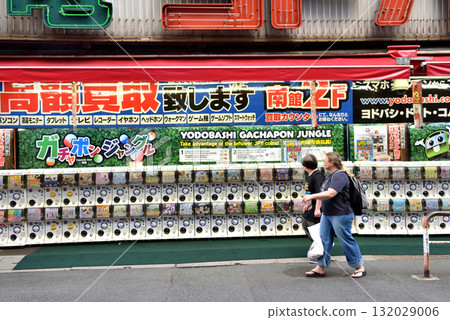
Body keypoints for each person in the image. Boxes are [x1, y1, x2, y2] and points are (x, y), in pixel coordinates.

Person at [302, 151, 366, 279]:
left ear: (332, 163)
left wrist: (311, 196)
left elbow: (331, 193)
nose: (323, 162)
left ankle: (359, 266)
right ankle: (320, 266)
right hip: (328, 213)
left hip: (341, 214)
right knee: (324, 239)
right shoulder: (330, 176)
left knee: (345, 239)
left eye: (325, 160)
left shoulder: (339, 176)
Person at [300, 154, 324, 241]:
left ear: (306, 166)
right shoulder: (310, 176)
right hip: (311, 206)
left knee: (313, 227)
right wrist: (307, 204)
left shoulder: (317, 176)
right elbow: (310, 192)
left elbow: (320, 193)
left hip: (317, 207)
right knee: (305, 224)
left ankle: (322, 247)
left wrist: (317, 209)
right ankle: (318, 245)